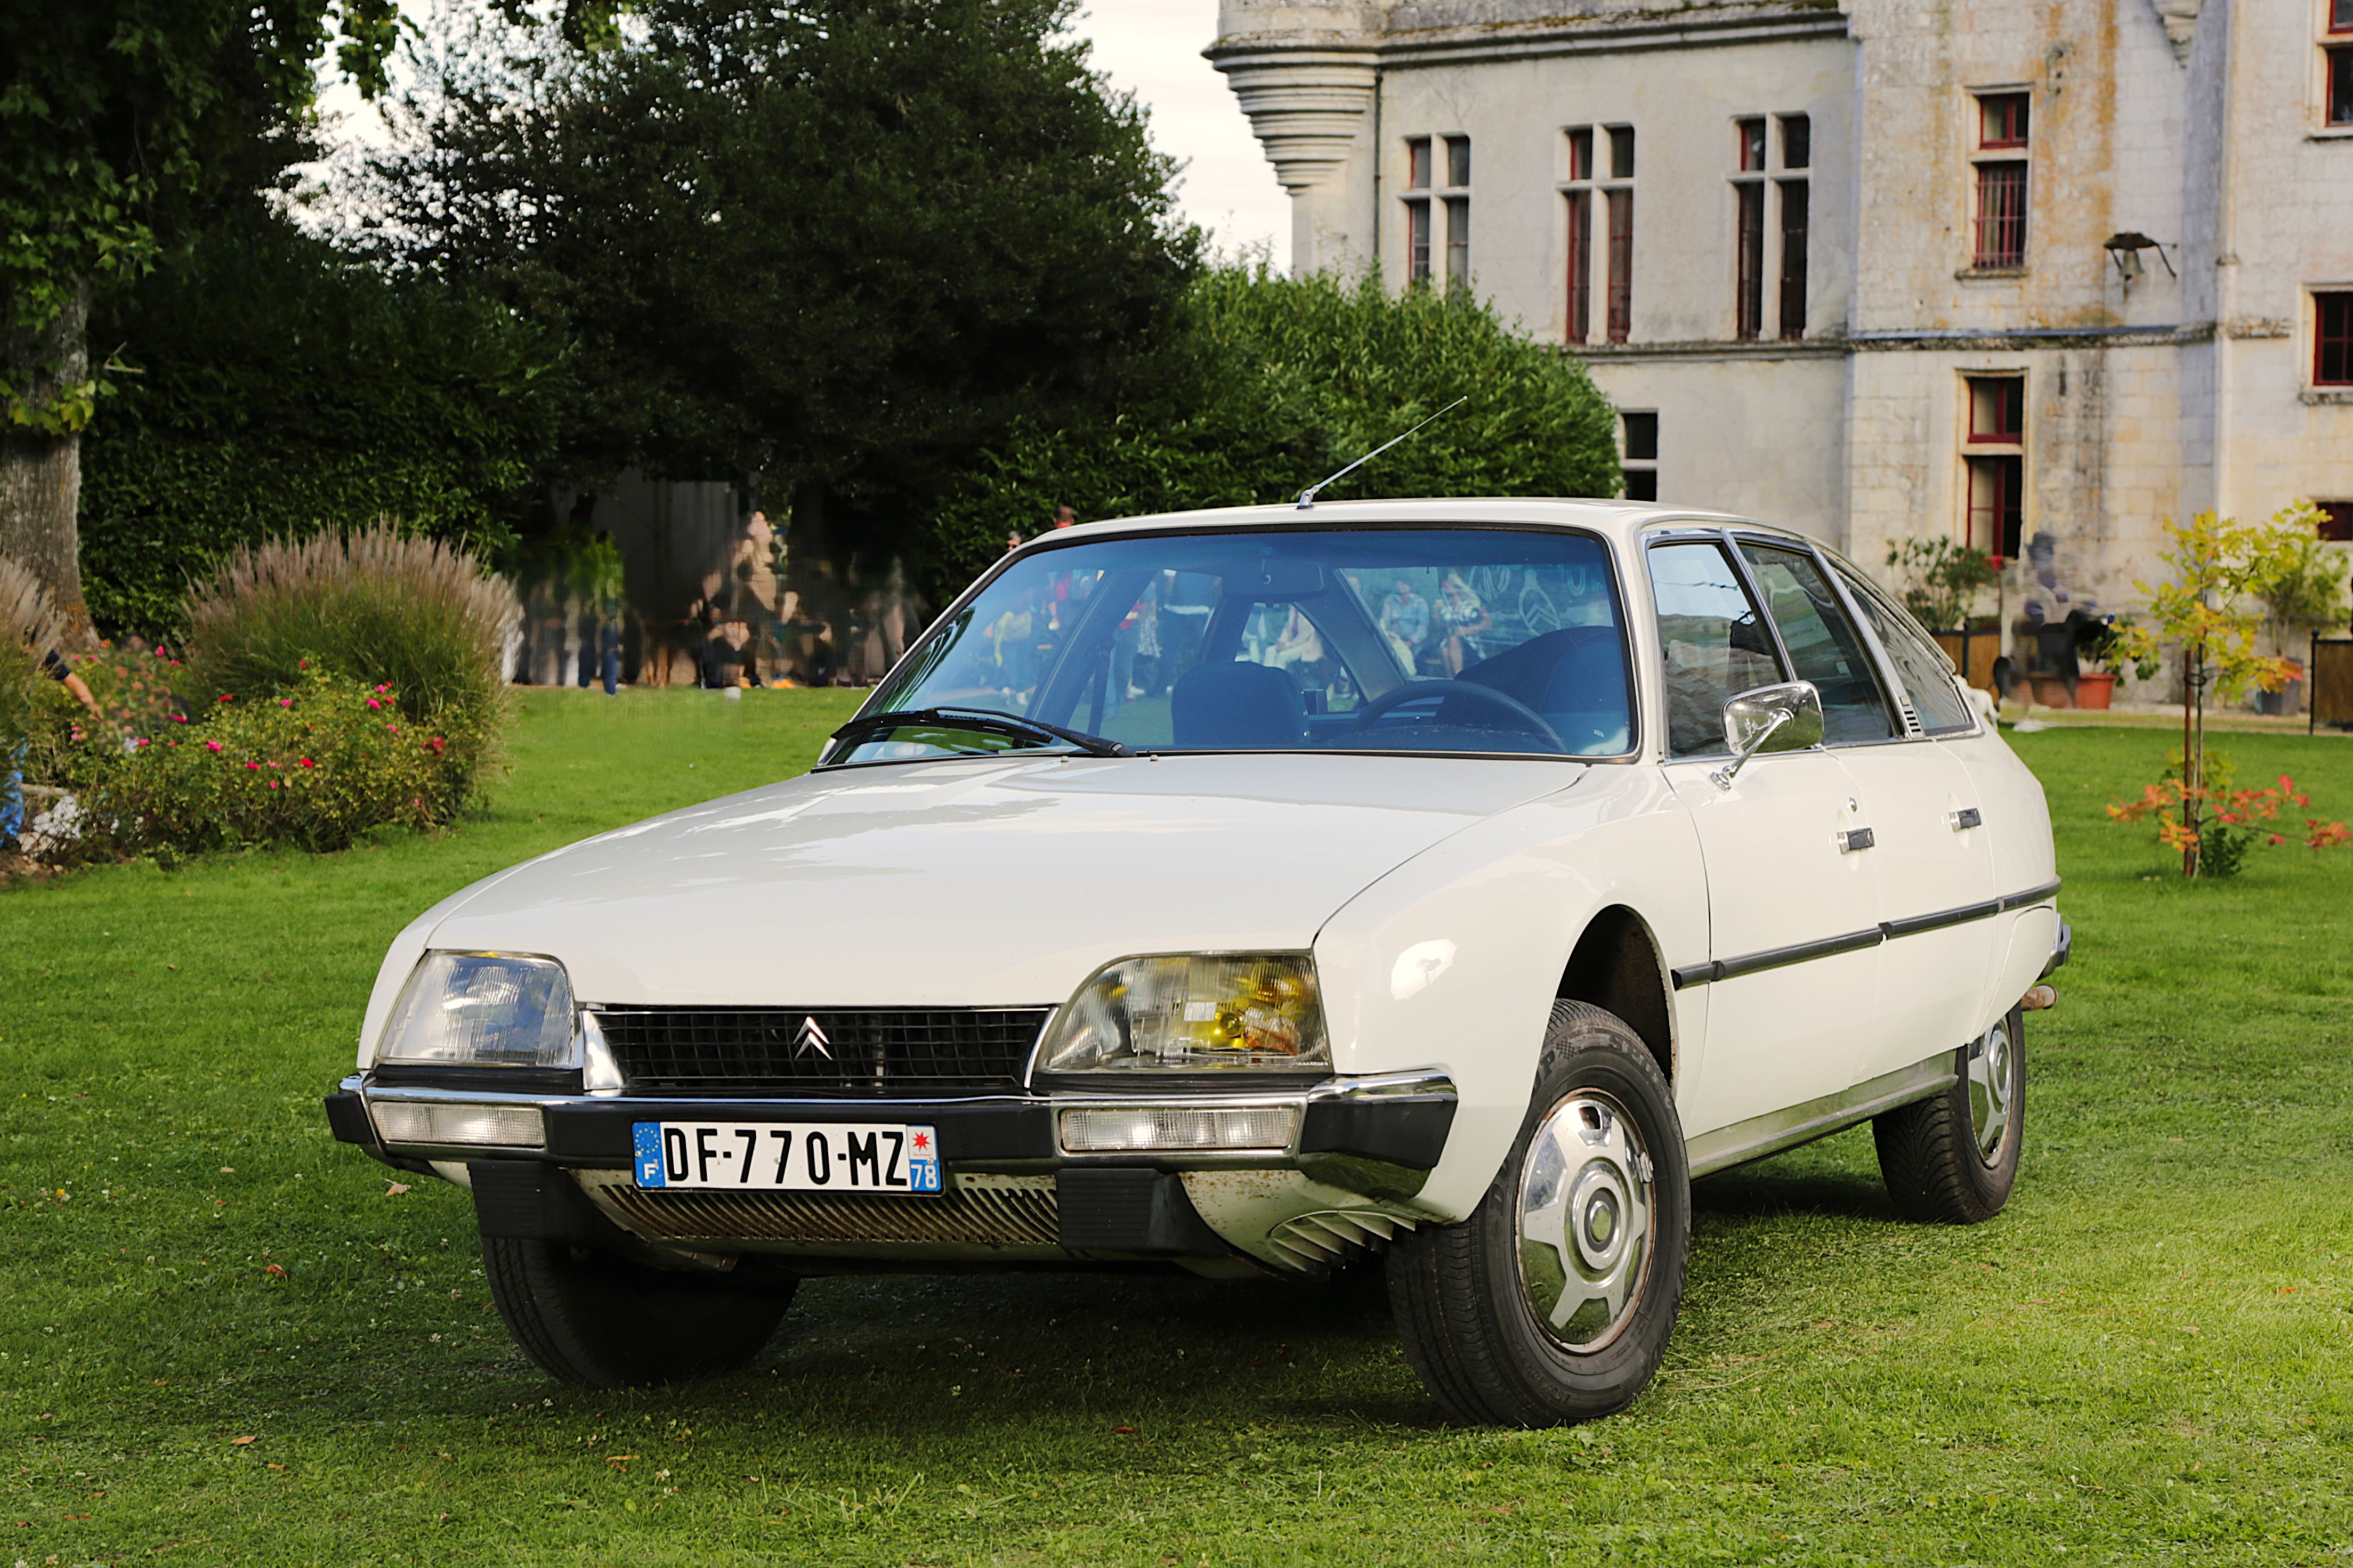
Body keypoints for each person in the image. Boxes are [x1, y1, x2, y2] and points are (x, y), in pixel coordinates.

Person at [1433, 572, 1492, 676]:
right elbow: (1440, 628)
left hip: (1471, 642)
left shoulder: (1473, 601)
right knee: (1445, 650)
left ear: (1455, 585)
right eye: (1442, 586)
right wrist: (1437, 611)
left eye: (1446, 586)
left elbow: (1487, 624)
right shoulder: (1445, 604)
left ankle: (1458, 676)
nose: (1444, 589)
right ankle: (1452, 680)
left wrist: (1468, 630)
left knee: (1453, 640)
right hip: (1449, 643)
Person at [1378, 577, 1431, 672]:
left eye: (1404, 584)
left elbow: (1423, 627)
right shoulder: (1389, 601)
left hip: (1415, 644)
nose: (1401, 586)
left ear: (1410, 586)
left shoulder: (1420, 602)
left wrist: (1411, 642)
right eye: (1399, 584)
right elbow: (1385, 622)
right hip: (1394, 641)